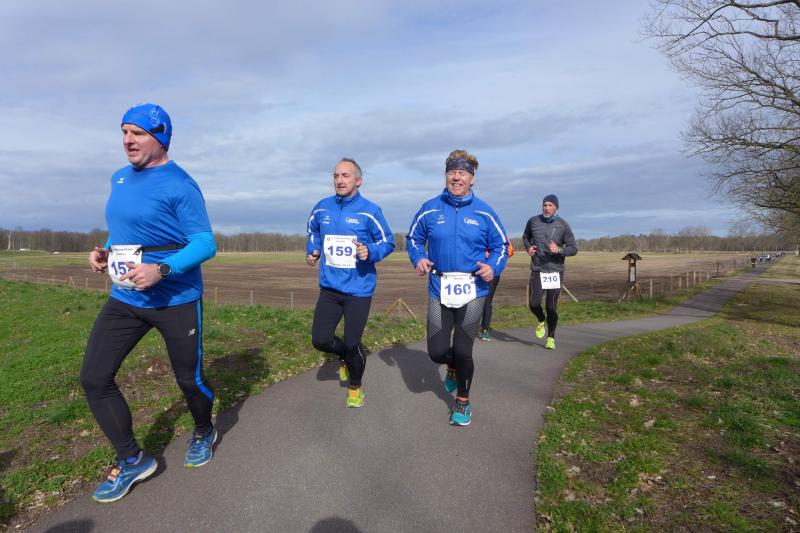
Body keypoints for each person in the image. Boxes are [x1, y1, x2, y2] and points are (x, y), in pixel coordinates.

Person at [81, 103, 218, 503]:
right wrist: (105, 251)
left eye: (137, 133)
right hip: (125, 297)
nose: (127, 140)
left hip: (176, 299)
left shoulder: (180, 184)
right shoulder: (120, 178)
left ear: (160, 138)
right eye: (124, 132)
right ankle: (132, 460)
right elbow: (123, 230)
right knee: (94, 378)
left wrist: (162, 269)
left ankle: (204, 430)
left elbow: (205, 242)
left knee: (188, 380)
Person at [407, 149, 509, 426]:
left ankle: (463, 401)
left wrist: (493, 267)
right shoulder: (430, 208)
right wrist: (418, 258)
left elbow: (501, 246)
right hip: (439, 288)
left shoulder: (485, 212)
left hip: (473, 290)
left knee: (464, 350)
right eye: (452, 172)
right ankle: (451, 366)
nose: (456, 177)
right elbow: (413, 239)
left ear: (472, 179)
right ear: (445, 176)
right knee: (437, 352)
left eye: (462, 173)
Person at [306, 158, 394, 408]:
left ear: (358, 180)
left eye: (345, 175)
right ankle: (344, 354)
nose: (339, 180)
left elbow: (388, 241)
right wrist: (313, 250)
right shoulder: (322, 208)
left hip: (358, 290)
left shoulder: (370, 211)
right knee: (320, 340)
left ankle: (355, 387)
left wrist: (370, 251)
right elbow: (313, 232)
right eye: (336, 176)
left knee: (353, 343)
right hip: (330, 289)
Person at [522, 194, 578, 350]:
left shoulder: (563, 225)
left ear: (556, 207)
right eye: (544, 205)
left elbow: (573, 248)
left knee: (551, 307)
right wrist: (529, 247)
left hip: (555, 271)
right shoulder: (533, 221)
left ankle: (551, 338)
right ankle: (541, 320)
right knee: (533, 304)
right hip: (538, 269)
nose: (546, 208)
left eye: (550, 205)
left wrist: (559, 250)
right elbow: (525, 237)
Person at [477, 241, 514, 341]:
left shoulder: (498, 234)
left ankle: (485, 329)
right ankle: (469, 326)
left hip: (491, 271)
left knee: (487, 301)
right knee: (472, 299)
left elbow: (509, 250)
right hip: (475, 270)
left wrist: (492, 256)